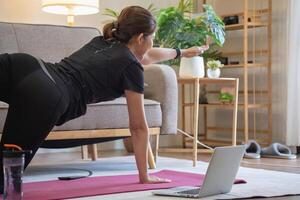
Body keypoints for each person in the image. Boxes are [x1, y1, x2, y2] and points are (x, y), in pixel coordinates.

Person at [0, 5, 209, 190]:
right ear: (140, 38)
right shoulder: (131, 66)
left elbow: (147, 55)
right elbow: (138, 127)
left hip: (26, 66)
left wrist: (182, 52)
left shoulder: (103, 40)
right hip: (45, 94)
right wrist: (144, 176)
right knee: (4, 179)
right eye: (152, 37)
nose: (153, 41)